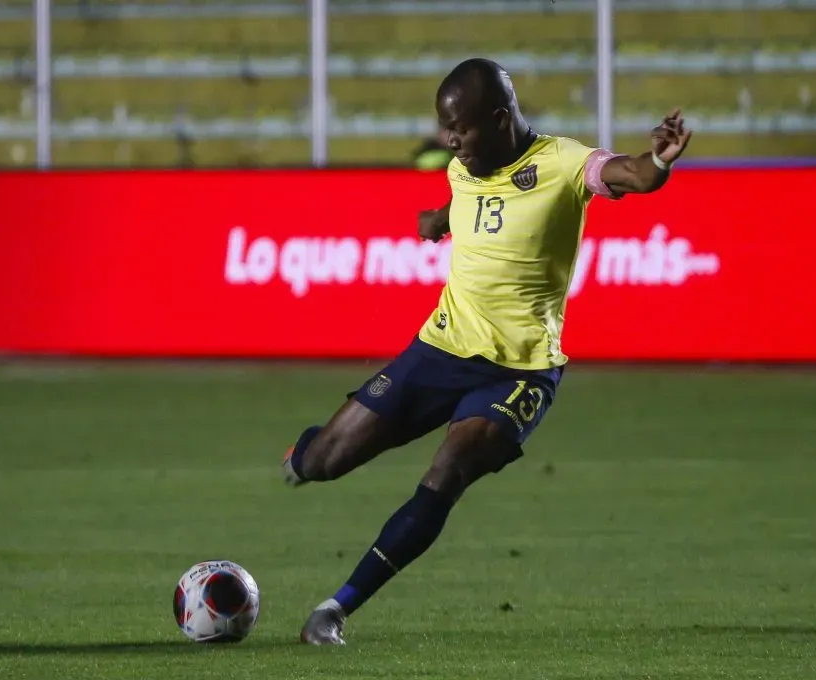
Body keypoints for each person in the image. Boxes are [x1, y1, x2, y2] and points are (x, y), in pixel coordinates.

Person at [282, 57, 692, 645]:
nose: (450, 142)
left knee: (447, 472)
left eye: (461, 130)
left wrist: (656, 160)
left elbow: (630, 174)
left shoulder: (563, 165)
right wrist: (437, 220)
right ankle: (307, 448)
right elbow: (469, 201)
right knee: (323, 462)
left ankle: (334, 610)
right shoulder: (463, 166)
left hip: (520, 373)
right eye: (447, 130)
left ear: (500, 119)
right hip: (441, 347)